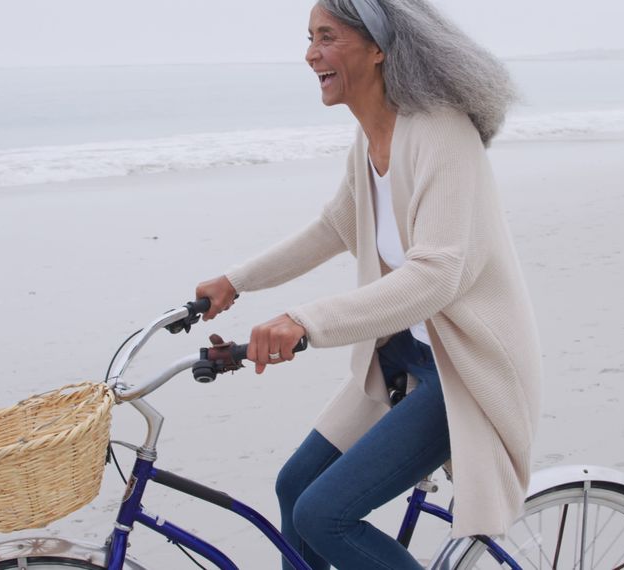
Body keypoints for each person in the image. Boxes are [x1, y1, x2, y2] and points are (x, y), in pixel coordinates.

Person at [195, 0, 542, 567]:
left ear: (379, 49)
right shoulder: (372, 139)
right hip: (407, 359)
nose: (311, 54)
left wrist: (306, 321)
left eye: (328, 37)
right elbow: (335, 226)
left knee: (324, 515)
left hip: (464, 373)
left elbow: (437, 275)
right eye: (309, 38)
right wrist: (236, 281)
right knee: (294, 487)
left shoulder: (441, 134)